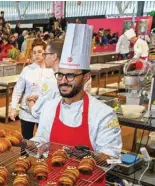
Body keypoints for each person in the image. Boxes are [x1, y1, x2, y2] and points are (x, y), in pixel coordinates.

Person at [31, 25, 122, 186]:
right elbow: (42, 139)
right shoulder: (50, 107)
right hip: (52, 180)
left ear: (86, 77)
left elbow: (112, 157)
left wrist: (89, 155)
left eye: (71, 75)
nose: (63, 81)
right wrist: (33, 144)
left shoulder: (103, 113)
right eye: (60, 75)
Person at [9, 39, 54, 139]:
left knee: (44, 140)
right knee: (26, 140)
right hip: (27, 112)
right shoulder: (27, 70)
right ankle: (24, 155)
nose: (37, 55)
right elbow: (18, 90)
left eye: (39, 52)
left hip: (44, 112)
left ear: (45, 52)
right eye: (34, 52)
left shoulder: (51, 70)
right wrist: (13, 107)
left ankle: (42, 155)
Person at [30, 39, 63, 119]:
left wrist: (30, 102)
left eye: (45, 54)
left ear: (54, 56)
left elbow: (37, 112)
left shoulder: (52, 81)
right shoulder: (68, 76)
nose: (44, 57)